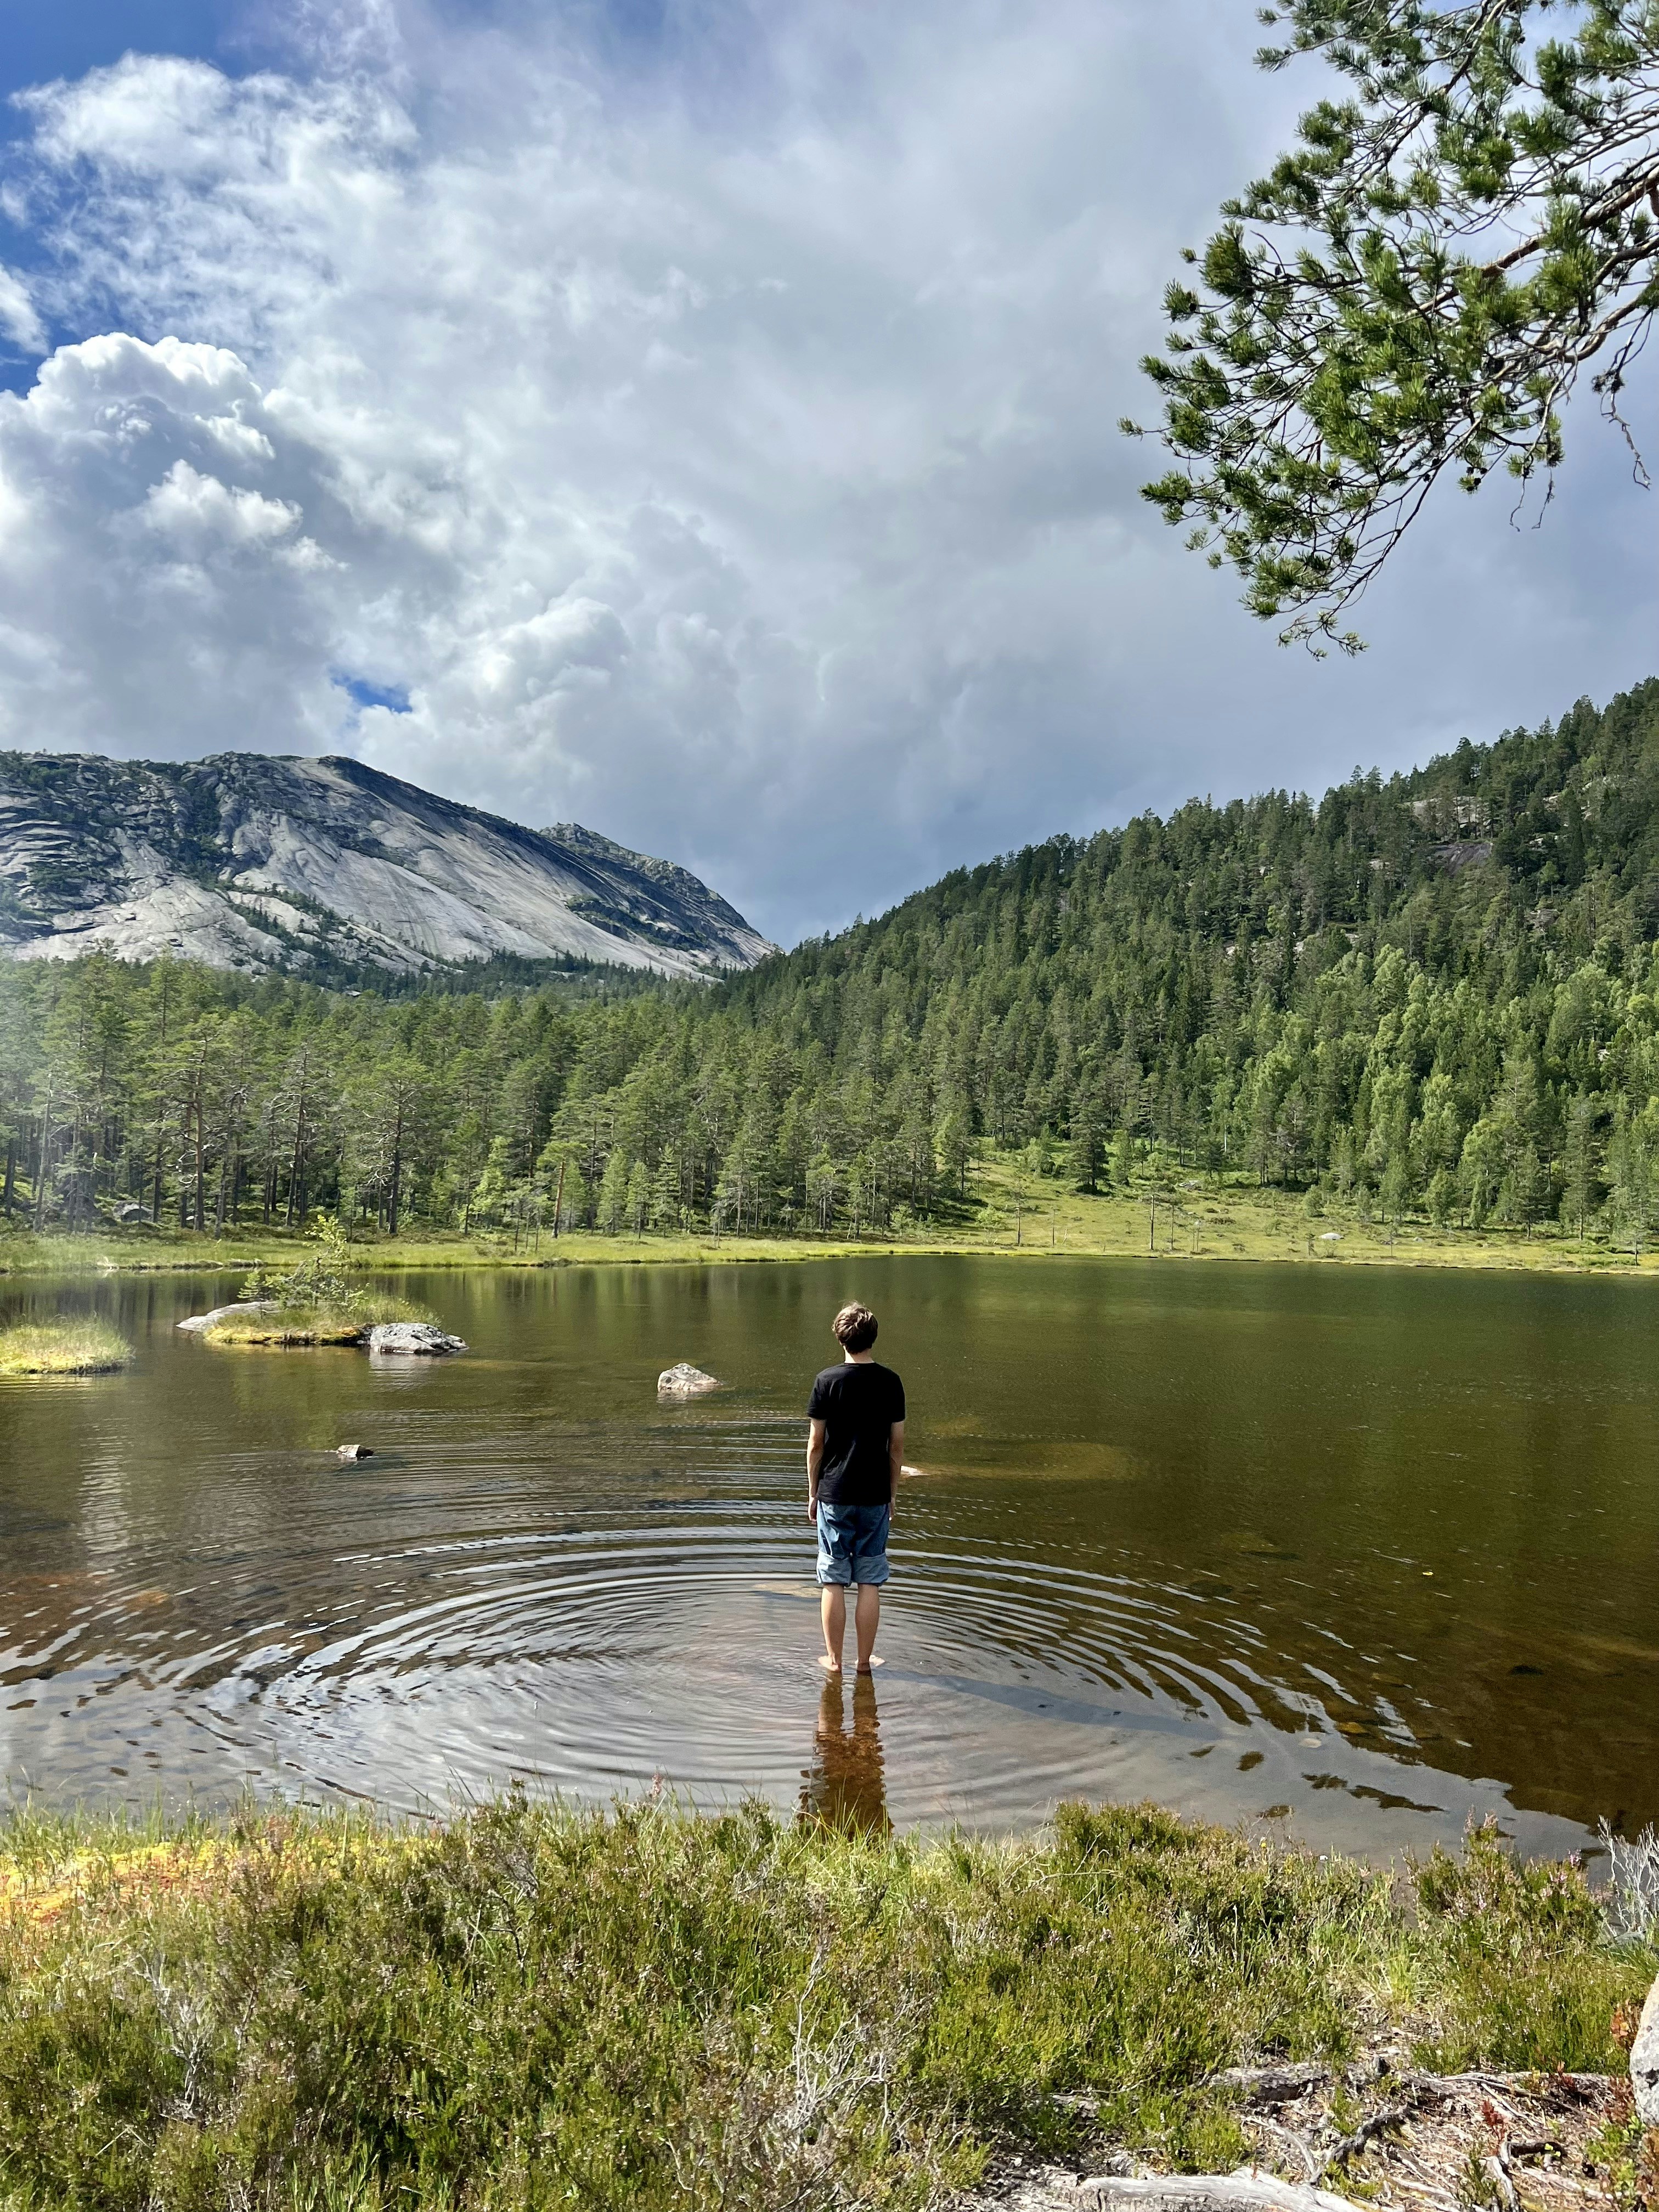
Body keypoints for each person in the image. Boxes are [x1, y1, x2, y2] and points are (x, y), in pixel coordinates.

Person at [806, 1301, 905, 1675]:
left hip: (834, 1492)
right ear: (873, 1338)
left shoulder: (826, 1381)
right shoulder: (891, 1382)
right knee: (870, 1579)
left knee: (833, 1578)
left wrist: (813, 1492)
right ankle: (864, 1664)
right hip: (875, 1493)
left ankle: (833, 1662)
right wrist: (892, 1492)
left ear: (841, 1338)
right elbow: (895, 1447)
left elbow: (816, 1444)